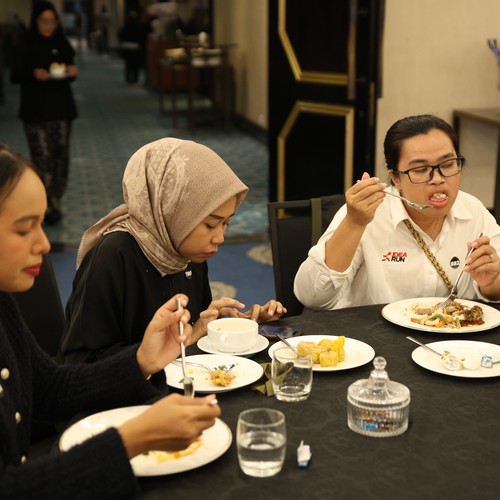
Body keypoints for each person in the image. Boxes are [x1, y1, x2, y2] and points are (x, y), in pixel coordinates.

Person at [0, 143, 220, 499]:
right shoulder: (114, 254)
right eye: (25, 230)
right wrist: (133, 438)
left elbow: (49, 388)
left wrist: (141, 360)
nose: (44, 244)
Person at [58, 137, 286, 368]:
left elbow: (191, 336)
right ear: (172, 211)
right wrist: (159, 352)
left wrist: (233, 327)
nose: (220, 238)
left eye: (225, 223)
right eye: (210, 225)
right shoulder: (113, 256)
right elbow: (80, 364)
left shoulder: (185, 251)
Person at [294, 114, 500, 310]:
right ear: (395, 178)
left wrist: (490, 284)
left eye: (447, 165)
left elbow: (495, 287)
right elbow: (311, 297)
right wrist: (354, 224)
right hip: (370, 332)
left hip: (452, 333)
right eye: (420, 170)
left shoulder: (472, 210)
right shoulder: (367, 214)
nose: (437, 179)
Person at [10, 1, 78, 225]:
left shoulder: (61, 42)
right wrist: (33, 74)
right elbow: (15, 75)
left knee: (60, 158)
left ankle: (55, 198)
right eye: (44, 21)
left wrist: (71, 71)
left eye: (52, 21)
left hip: (61, 108)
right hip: (35, 110)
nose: (48, 26)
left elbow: (70, 67)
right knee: (42, 158)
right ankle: (46, 203)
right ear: (35, 21)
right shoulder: (25, 44)